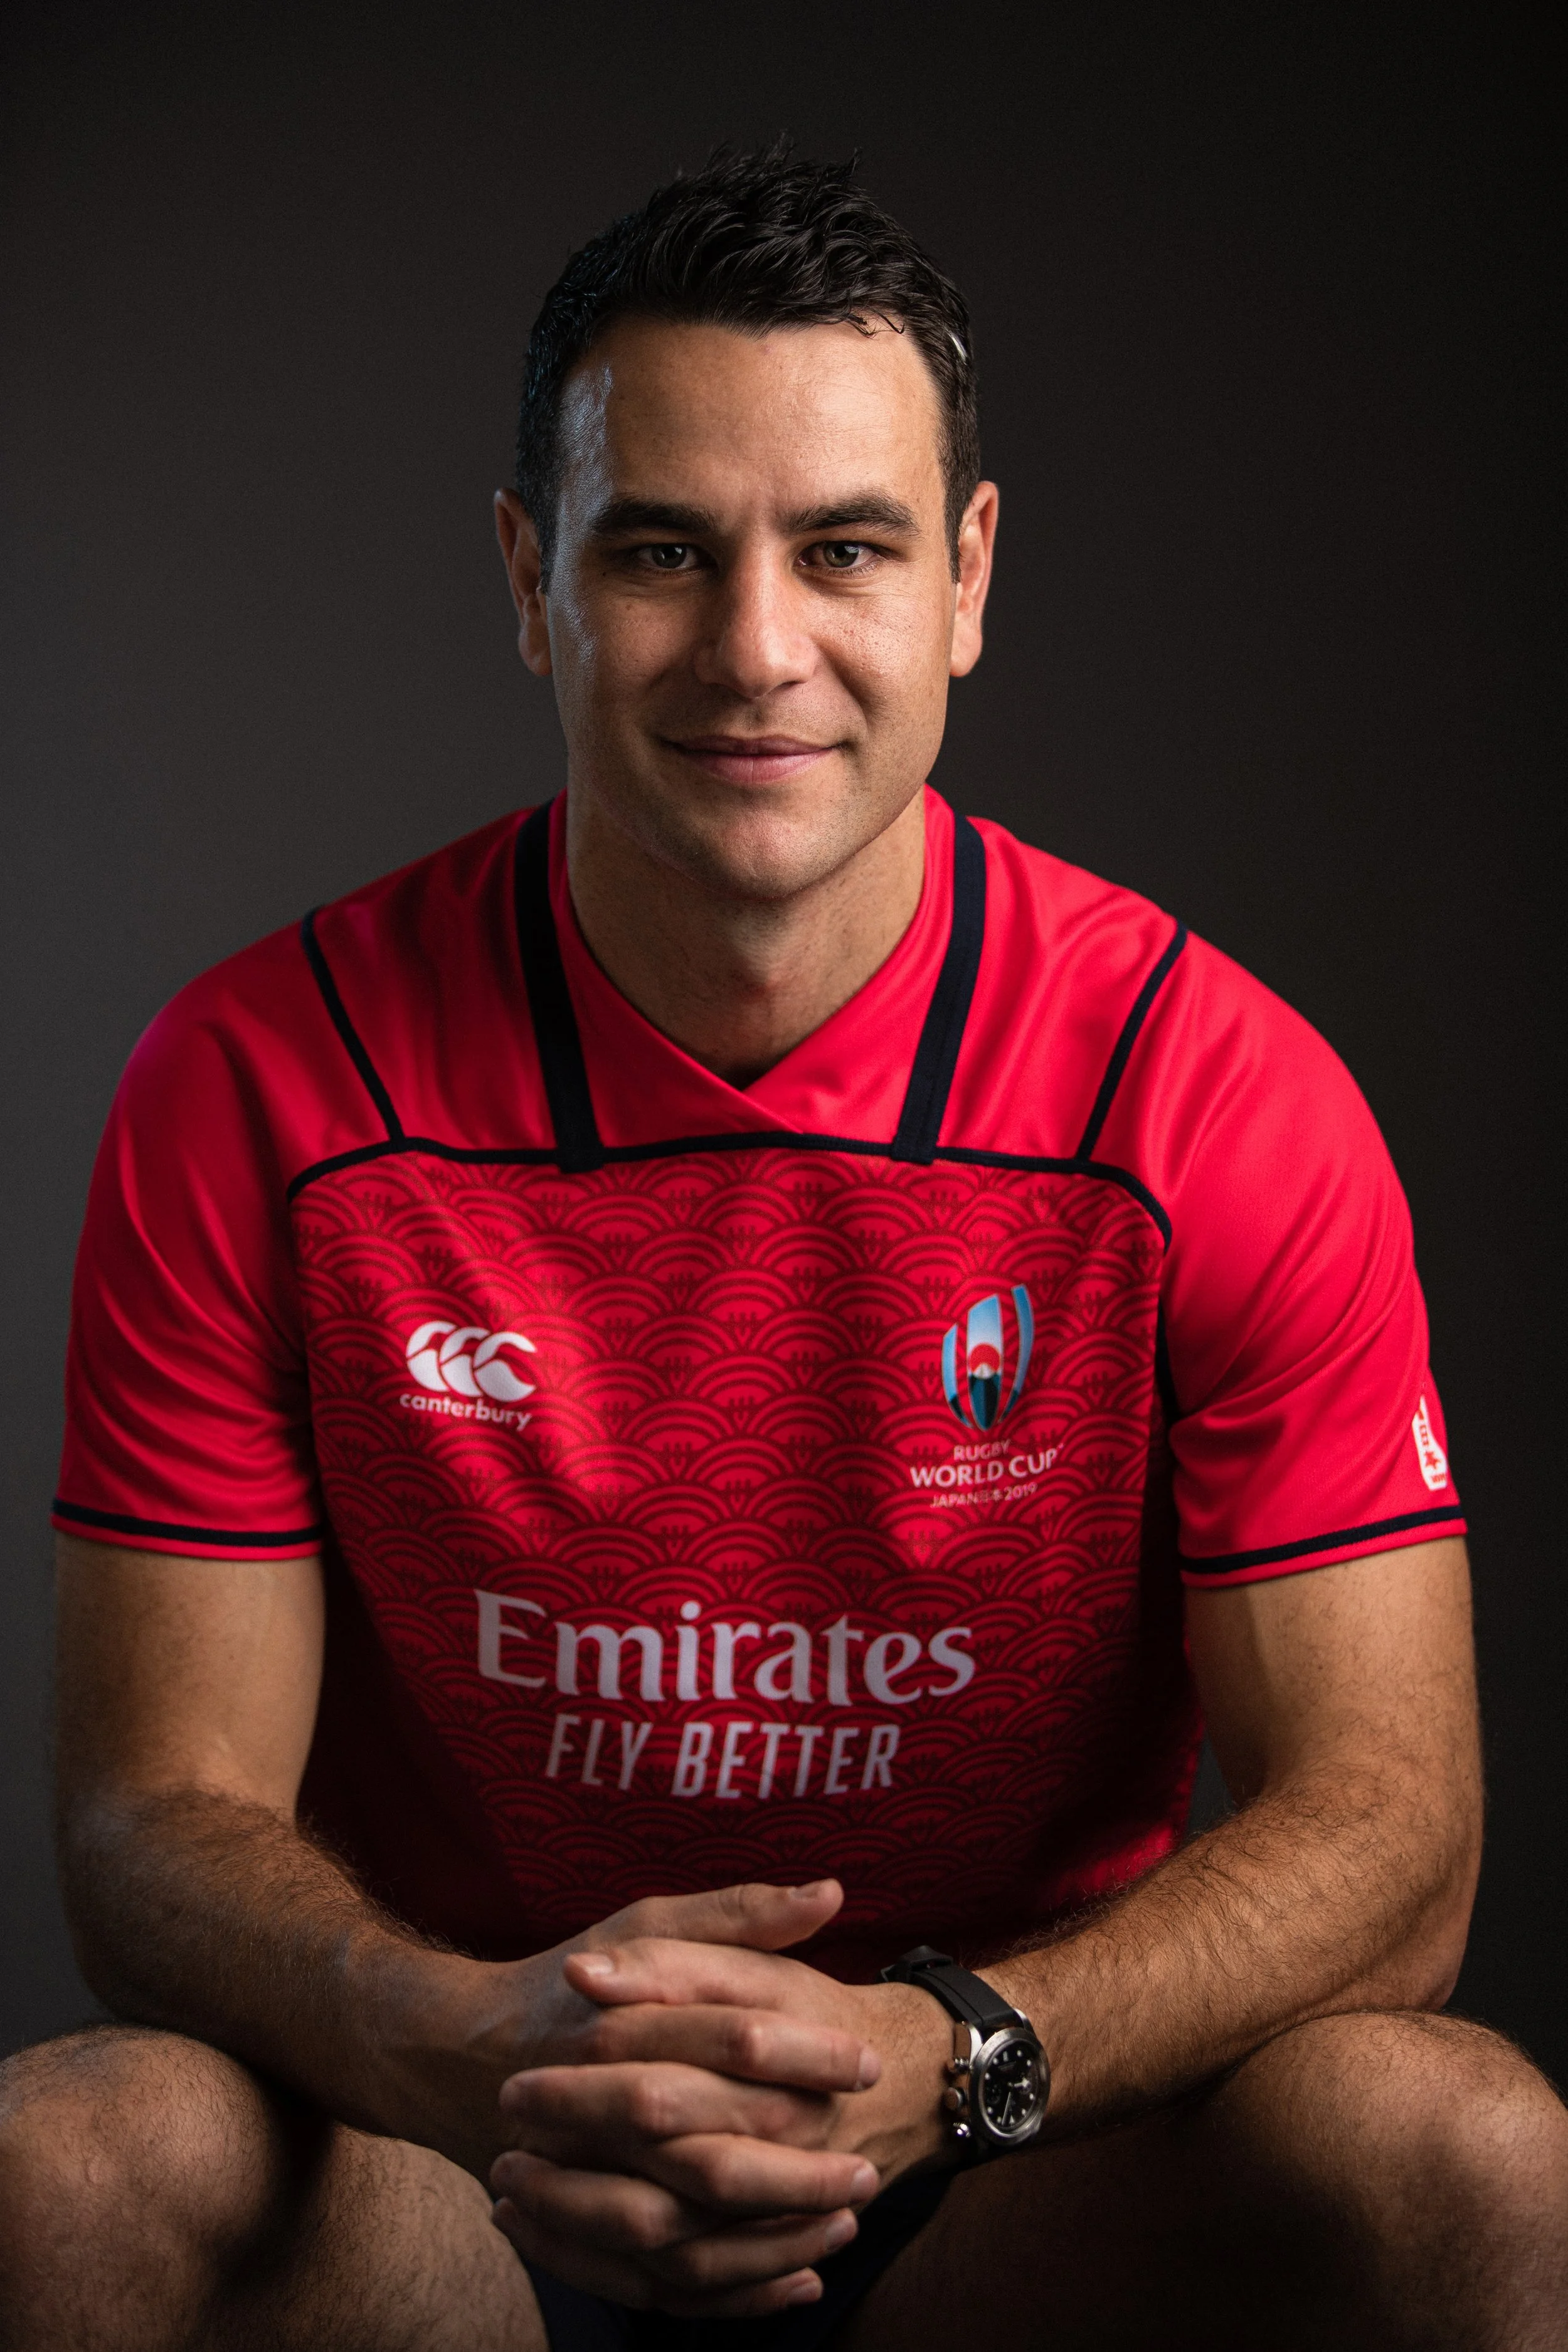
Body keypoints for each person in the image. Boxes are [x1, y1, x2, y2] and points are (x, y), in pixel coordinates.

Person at [1, 145, 1563, 2352]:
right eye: (659, 551)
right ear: (532, 582)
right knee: (63, 2168)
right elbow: (147, 1824)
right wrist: (471, 2042)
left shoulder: (1208, 1089)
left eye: (842, 548)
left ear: (965, 580)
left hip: (1010, 2171)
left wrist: (954, 2051)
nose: (755, 651)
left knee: (1462, 2148)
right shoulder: (259, 1083)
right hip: (458, 2171)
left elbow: (1402, 1835)